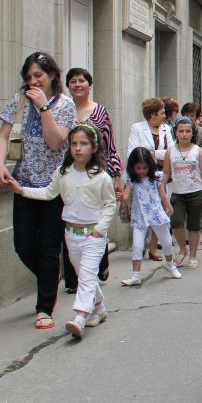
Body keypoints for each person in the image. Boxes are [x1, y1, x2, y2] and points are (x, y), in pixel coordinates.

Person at [0, 51, 77, 329]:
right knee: (23, 244)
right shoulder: (19, 101)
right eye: (29, 77)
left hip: (53, 188)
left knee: (48, 247)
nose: (33, 81)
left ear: (52, 75)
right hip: (23, 184)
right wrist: (0, 164)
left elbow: (56, 143)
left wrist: (44, 108)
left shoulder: (65, 105)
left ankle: (44, 309)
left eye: (38, 75)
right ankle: (49, 277)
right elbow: (3, 136)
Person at [9, 124, 117, 339]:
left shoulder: (102, 177)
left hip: (93, 235)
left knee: (85, 276)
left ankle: (79, 317)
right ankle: (100, 308)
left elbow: (110, 204)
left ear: (94, 147)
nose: (78, 148)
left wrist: (99, 229)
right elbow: (49, 193)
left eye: (83, 144)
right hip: (71, 235)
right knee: (83, 274)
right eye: (74, 144)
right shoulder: (62, 173)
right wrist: (23, 191)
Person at [62, 68, 123, 294]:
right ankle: (73, 279)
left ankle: (101, 262)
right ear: (67, 85)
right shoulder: (64, 110)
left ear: (89, 85)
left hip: (96, 174)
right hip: (70, 173)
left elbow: (110, 144)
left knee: (96, 218)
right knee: (71, 219)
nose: (77, 85)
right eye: (73, 81)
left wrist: (117, 175)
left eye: (82, 81)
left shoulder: (99, 112)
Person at [119, 148, 182, 285]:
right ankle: (136, 275)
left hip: (156, 213)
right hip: (139, 216)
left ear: (150, 166)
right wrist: (120, 196)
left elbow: (163, 194)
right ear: (132, 167)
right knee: (137, 245)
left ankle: (170, 264)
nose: (141, 171)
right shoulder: (131, 179)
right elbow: (125, 195)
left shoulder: (156, 177)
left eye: (144, 168)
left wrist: (169, 206)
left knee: (166, 241)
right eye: (138, 168)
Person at [127, 97, 173, 261]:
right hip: (142, 176)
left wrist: (152, 153)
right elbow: (133, 153)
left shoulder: (167, 129)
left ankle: (154, 247)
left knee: (159, 211)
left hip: (162, 175)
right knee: (143, 210)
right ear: (152, 114)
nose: (164, 116)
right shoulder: (137, 128)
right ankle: (141, 246)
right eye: (161, 113)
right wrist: (151, 156)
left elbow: (170, 153)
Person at [161, 117, 202, 269]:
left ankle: (193, 255)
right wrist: (161, 188)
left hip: (196, 192)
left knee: (194, 226)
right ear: (175, 132)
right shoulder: (171, 151)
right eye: (181, 131)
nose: (184, 134)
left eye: (187, 131)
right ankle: (183, 248)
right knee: (175, 223)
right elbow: (166, 172)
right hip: (177, 193)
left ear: (192, 133)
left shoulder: (198, 151)